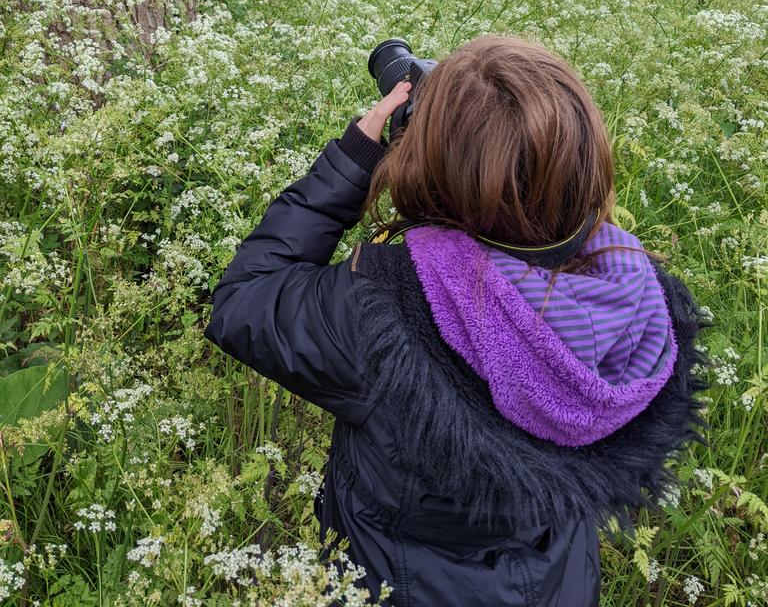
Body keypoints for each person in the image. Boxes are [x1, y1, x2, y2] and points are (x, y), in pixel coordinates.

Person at [204, 34, 708, 606]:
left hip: (404, 585)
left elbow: (244, 300)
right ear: (586, 157)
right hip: (559, 582)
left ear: (430, 165)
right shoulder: (642, 297)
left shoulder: (385, 307)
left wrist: (351, 162)